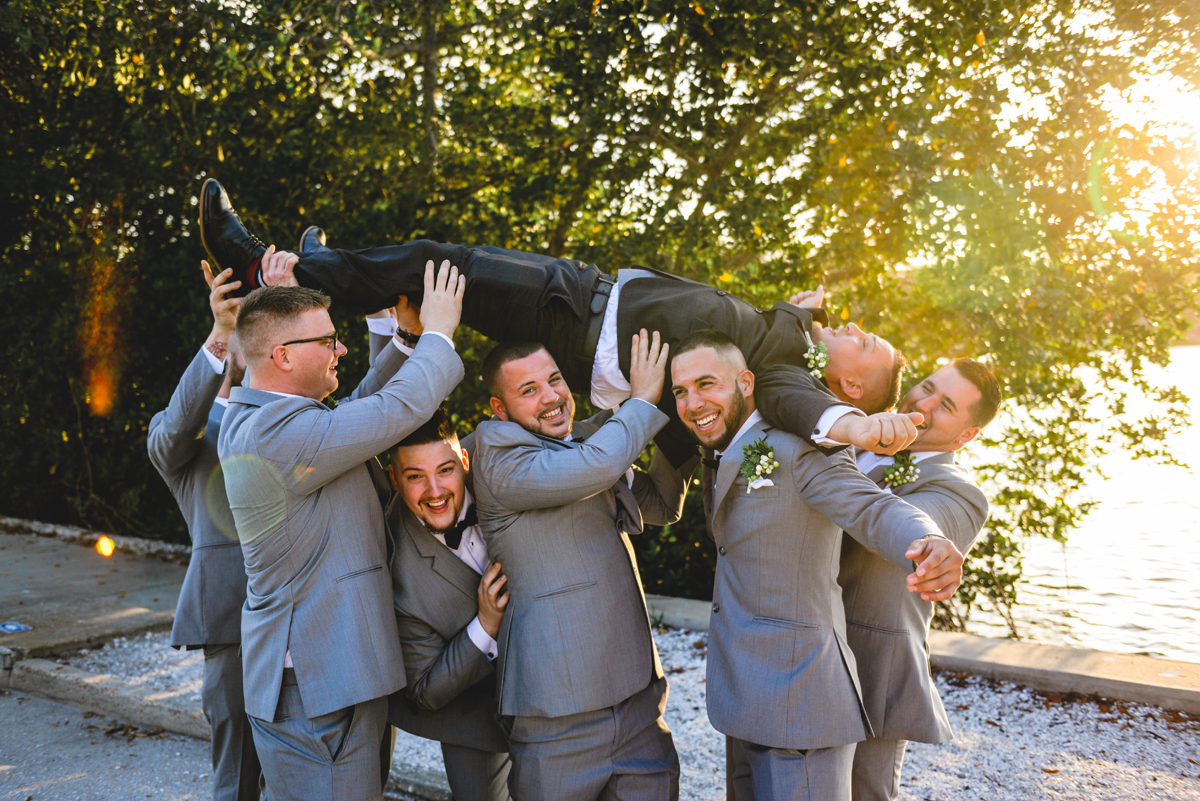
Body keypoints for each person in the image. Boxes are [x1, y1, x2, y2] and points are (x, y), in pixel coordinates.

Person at [197, 179, 922, 467]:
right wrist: (811, 307)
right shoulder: (789, 333)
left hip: (579, 319)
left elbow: (807, 408)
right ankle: (329, 268)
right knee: (429, 265)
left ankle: (270, 266)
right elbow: (795, 319)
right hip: (583, 297)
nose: (856, 329)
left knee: (433, 263)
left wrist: (858, 428)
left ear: (850, 384)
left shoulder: (791, 379)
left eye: (867, 345)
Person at [667, 329, 964, 801]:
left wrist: (926, 539)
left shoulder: (799, 448)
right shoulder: (719, 447)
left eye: (707, 384)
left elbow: (869, 506)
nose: (692, 402)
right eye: (681, 391)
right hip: (741, 697)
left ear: (747, 383)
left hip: (801, 702)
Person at [217, 263, 466, 801]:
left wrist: (405, 340)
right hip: (316, 690)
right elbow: (392, 410)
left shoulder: (270, 418)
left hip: (328, 675)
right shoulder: (275, 434)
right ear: (282, 356)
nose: (342, 349)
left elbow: (354, 411)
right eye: (328, 340)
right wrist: (440, 333)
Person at [469, 333, 697, 801]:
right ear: (499, 407)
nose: (552, 397)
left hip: (638, 703)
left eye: (554, 380)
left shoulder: (593, 440)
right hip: (555, 716)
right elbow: (595, 466)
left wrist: (677, 419)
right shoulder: (496, 452)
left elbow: (662, 504)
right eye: (528, 390)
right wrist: (641, 401)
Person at [840, 359, 1001, 801]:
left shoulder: (959, 492)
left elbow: (916, 527)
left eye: (945, 405)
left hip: (873, 670)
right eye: (926, 386)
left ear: (966, 436)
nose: (922, 402)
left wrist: (926, 538)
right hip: (803, 649)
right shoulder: (854, 431)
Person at [147, 262, 263, 801]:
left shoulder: (290, 413)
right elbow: (173, 431)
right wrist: (219, 333)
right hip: (230, 624)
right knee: (236, 774)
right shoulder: (183, 438)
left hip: (307, 617)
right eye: (239, 335)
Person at [384, 408, 514, 801]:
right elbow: (426, 690)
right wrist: (485, 625)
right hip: (472, 709)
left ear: (465, 460)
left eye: (445, 470)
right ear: (394, 479)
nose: (435, 491)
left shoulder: (503, 462)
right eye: (415, 477)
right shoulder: (396, 569)